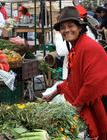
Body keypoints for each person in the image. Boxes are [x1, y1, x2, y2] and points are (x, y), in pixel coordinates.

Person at [43, 6, 107, 140]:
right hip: (87, 102)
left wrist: (76, 108)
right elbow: (73, 80)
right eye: (63, 27)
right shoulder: (76, 47)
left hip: (98, 102)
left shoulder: (88, 47)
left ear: (79, 27)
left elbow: (92, 84)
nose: (66, 30)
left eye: (70, 26)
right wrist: (53, 94)